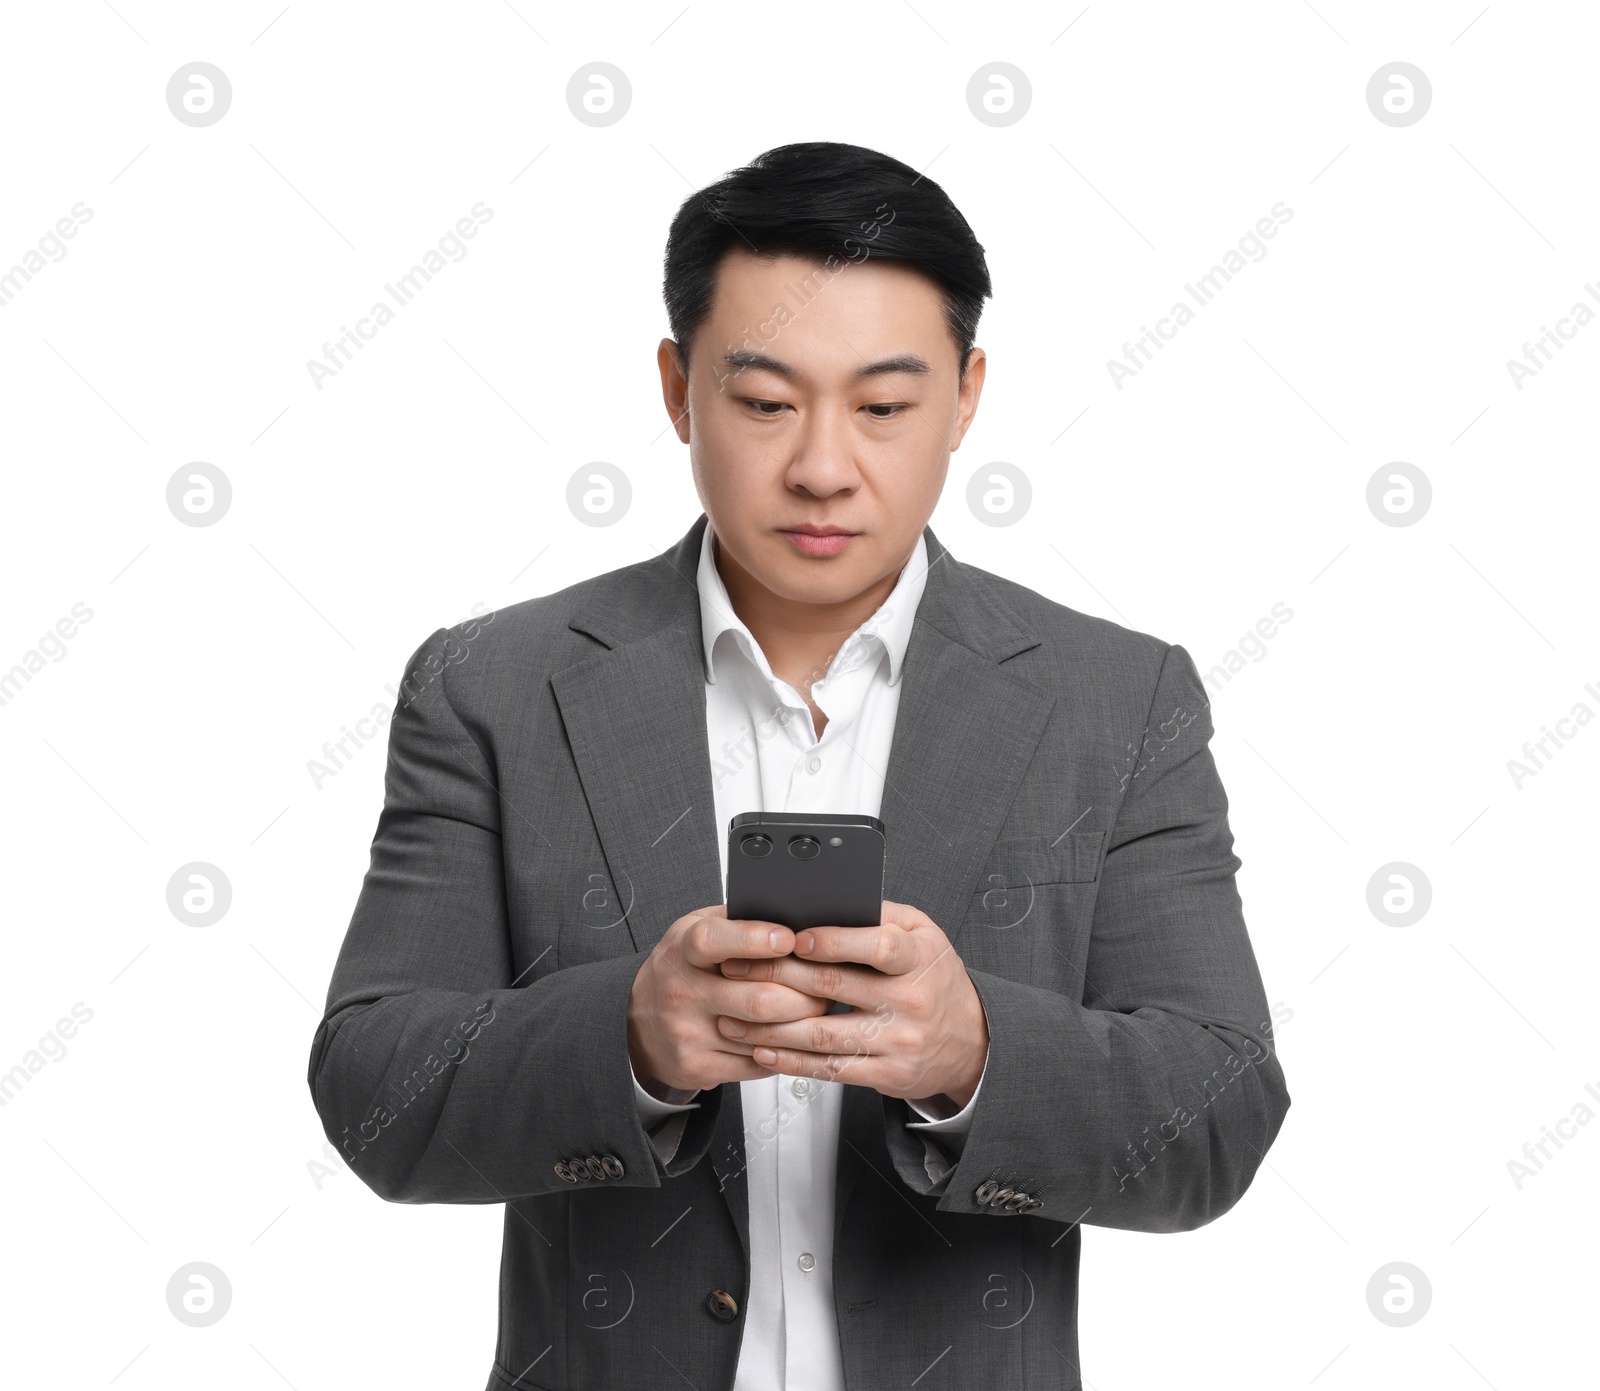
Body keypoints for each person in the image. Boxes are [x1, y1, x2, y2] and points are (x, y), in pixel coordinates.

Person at [308, 140, 1290, 1391]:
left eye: (883, 406)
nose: (823, 465)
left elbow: (1216, 1112)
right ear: (676, 390)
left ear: (967, 394)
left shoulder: (1118, 698)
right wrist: (629, 1038)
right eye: (765, 402)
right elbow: (373, 1089)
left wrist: (974, 1050)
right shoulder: (491, 685)